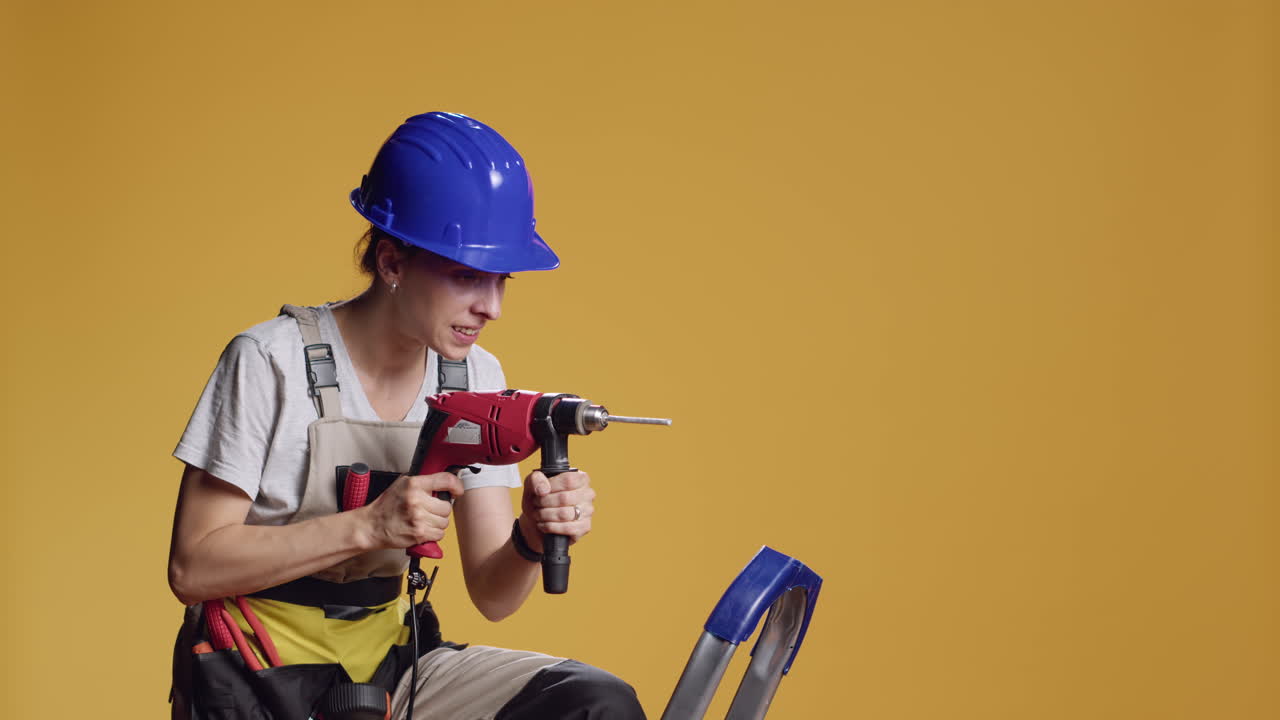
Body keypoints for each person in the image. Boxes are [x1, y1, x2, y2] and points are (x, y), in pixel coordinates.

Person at [167, 112, 646, 720]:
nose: (492, 307)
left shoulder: (476, 375)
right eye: (466, 276)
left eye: (501, 280)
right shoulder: (269, 360)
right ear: (391, 263)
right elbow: (192, 567)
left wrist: (530, 535)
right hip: (257, 672)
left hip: (391, 667)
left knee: (596, 703)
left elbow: (493, 595)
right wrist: (369, 526)